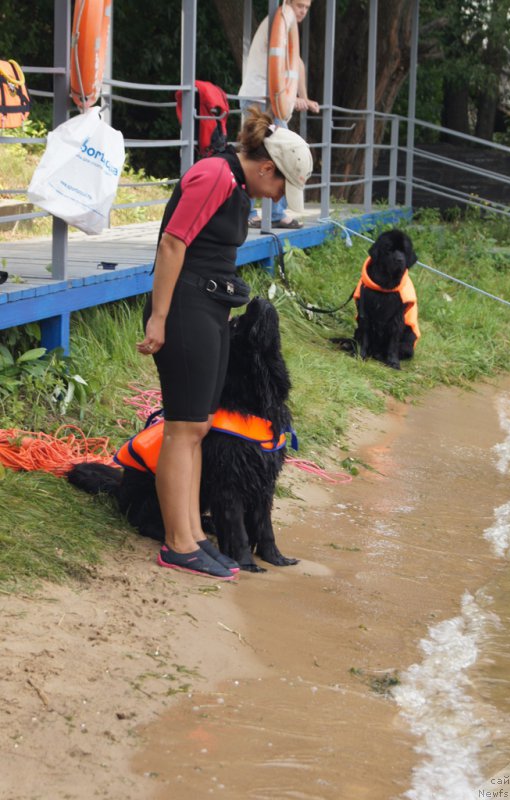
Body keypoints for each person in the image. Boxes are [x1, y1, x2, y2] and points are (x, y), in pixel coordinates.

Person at [136, 106, 313, 580]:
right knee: (182, 427)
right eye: (281, 187)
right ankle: (177, 544)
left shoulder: (236, 185)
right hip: (185, 308)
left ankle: (193, 534)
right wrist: (159, 318)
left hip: (211, 310)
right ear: (267, 168)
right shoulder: (214, 175)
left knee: (199, 427)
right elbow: (172, 243)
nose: (278, 197)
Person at [238, 0, 319, 230]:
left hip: (269, 97)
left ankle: (273, 212)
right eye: (299, 5)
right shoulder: (279, 20)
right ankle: (255, 212)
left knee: (274, 153)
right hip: (261, 96)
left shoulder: (289, 24)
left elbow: (296, 64)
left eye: (306, 7)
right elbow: (280, 66)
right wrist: (292, 99)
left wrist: (304, 96)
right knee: (261, 151)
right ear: (287, 2)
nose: (302, 11)